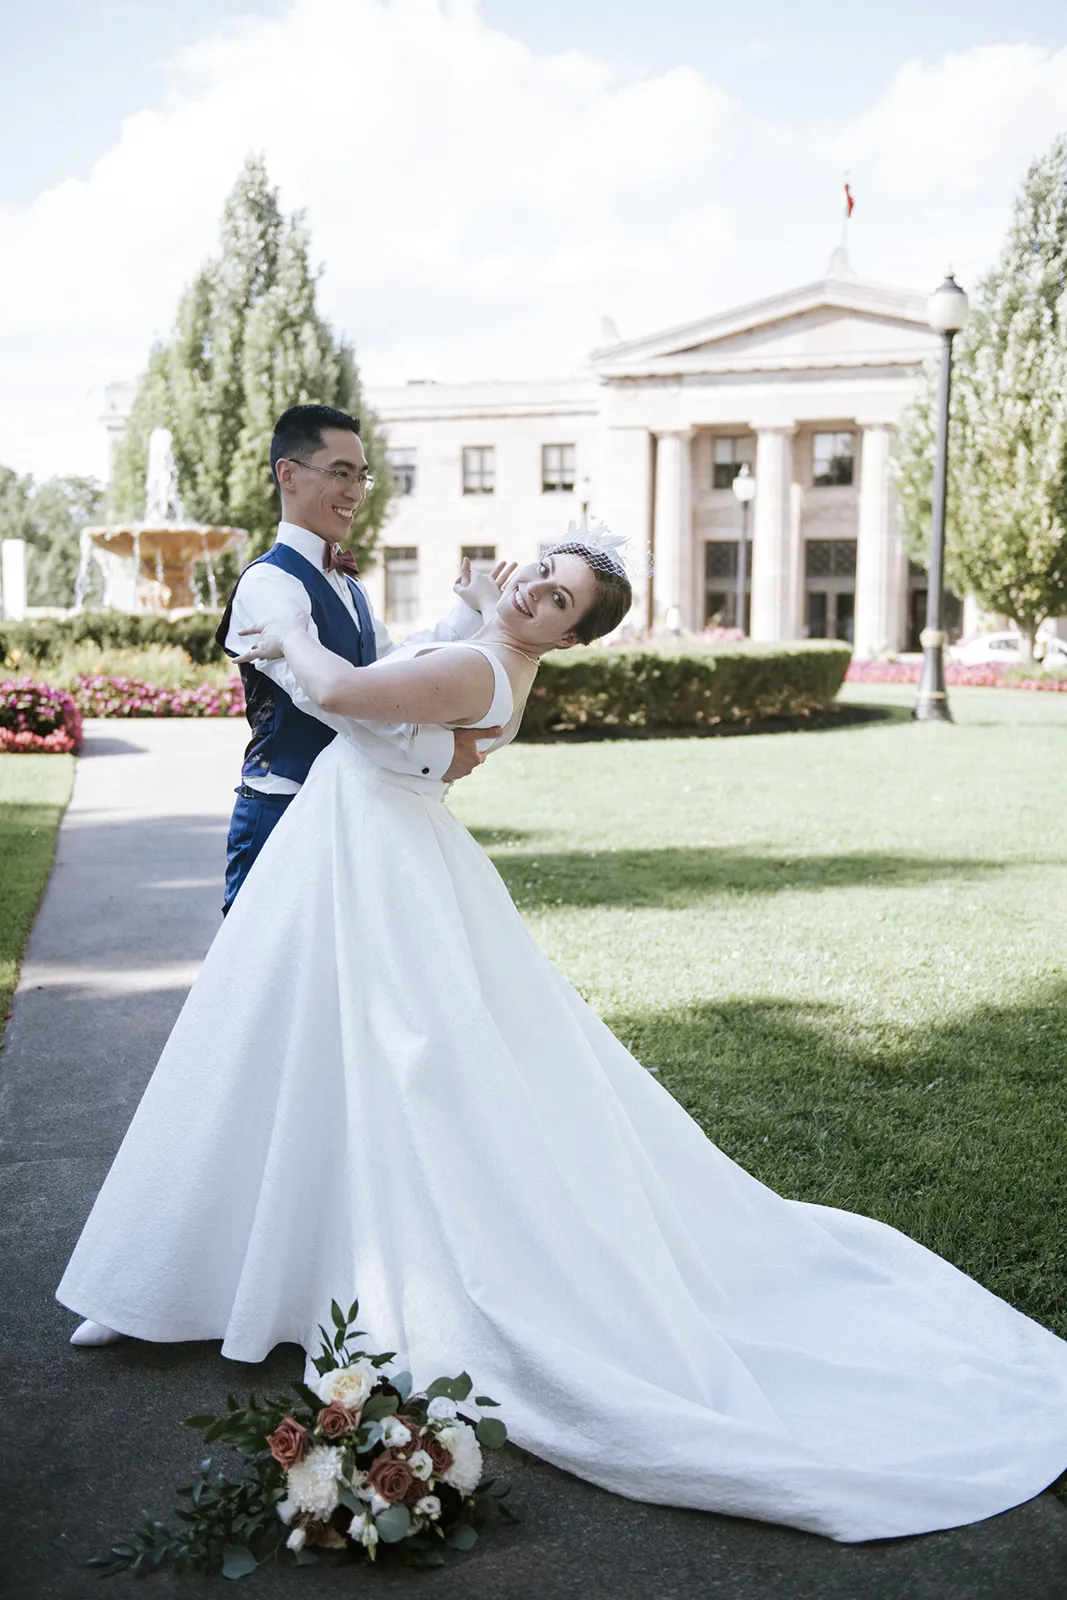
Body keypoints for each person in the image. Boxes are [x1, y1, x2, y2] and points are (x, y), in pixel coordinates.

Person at [57, 533, 1067, 1544]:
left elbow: (342, 689)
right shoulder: (490, 654)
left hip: (372, 863)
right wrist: (459, 611)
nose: (534, 587)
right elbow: (407, 714)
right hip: (358, 853)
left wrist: (280, 630)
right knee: (288, 1048)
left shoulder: (476, 666)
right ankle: (190, 1276)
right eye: (541, 568)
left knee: (347, 1064)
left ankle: (183, 1277)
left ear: (568, 636)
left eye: (556, 597)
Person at [216, 403, 511, 914]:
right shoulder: (267, 584)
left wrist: (468, 615)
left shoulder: (349, 587)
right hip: (285, 806)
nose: (355, 492)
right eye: (340, 473)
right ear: (288, 474)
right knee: (270, 982)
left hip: (352, 807)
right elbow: (331, 698)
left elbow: (390, 670)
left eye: (362, 477)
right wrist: (437, 753)